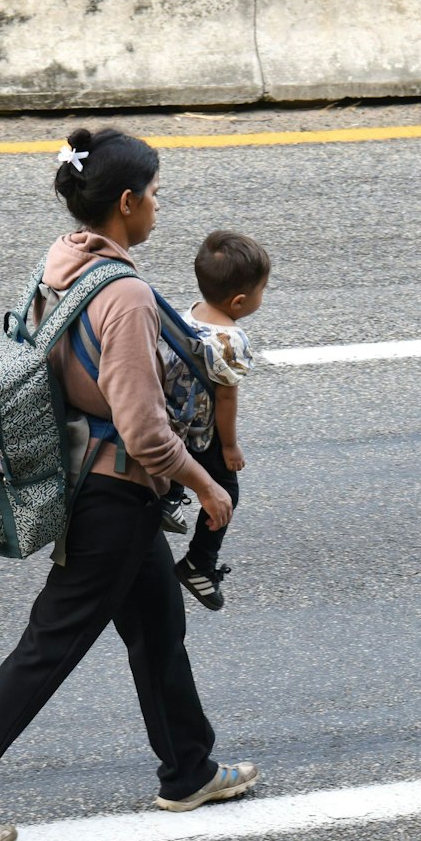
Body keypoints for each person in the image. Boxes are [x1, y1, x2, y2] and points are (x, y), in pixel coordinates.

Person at [0, 127, 260, 841]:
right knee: (48, 647)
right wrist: (204, 486)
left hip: (87, 477)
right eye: (155, 194)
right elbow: (143, 425)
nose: (161, 207)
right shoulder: (123, 292)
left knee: (158, 626)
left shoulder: (61, 264)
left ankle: (188, 767)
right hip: (113, 494)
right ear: (126, 203)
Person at [164, 231, 270, 612]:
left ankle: (170, 497)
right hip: (198, 434)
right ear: (240, 301)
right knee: (227, 491)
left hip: (166, 423)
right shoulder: (231, 340)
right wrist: (229, 445)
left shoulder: (185, 314)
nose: (262, 297)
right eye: (262, 291)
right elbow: (225, 397)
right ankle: (199, 564)